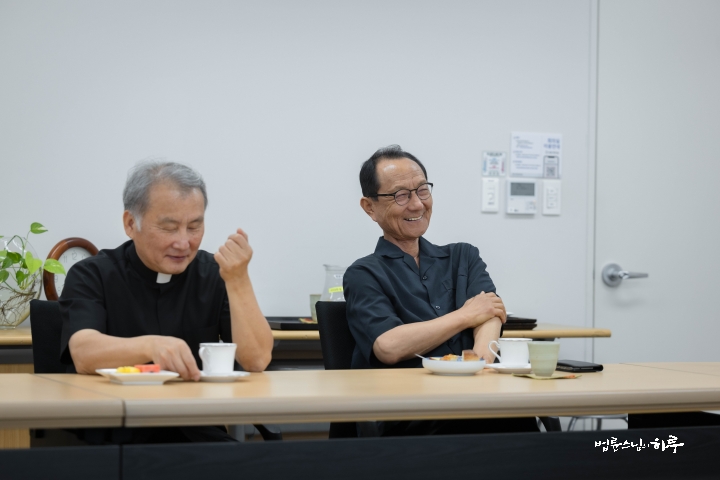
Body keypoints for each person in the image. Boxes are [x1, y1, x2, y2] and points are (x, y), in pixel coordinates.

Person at [59, 160, 274, 443]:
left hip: (194, 430)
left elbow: (257, 360)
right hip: (115, 432)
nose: (184, 243)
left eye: (194, 226)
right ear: (130, 224)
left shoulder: (214, 273)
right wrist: (152, 345)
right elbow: (83, 352)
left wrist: (239, 280)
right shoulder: (92, 274)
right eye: (169, 228)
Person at [344, 145, 539, 436]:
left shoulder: (463, 256)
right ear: (369, 207)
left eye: (422, 190)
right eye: (400, 195)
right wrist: (465, 315)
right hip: (410, 410)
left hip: (475, 397)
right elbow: (389, 346)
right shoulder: (364, 273)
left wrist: (481, 361)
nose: (417, 205)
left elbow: (490, 313)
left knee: (518, 418)